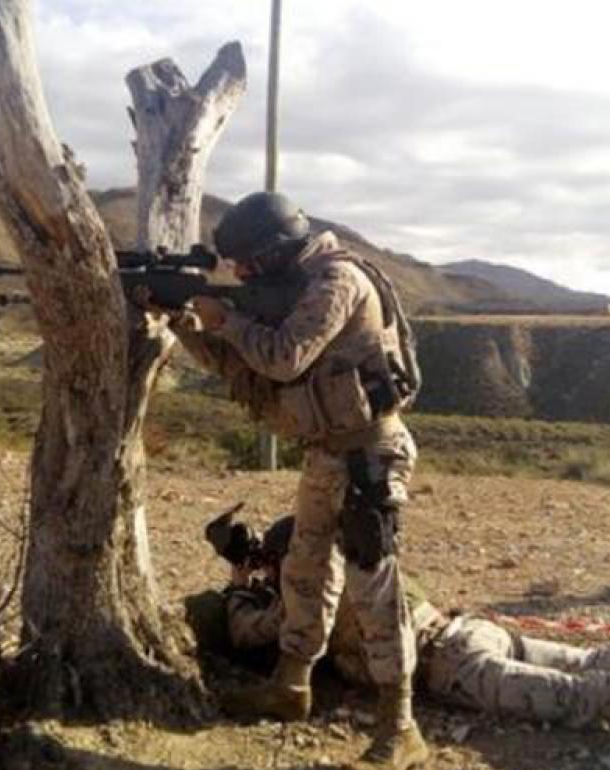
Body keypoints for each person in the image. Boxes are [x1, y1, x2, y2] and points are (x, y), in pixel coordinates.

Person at [167, 191, 427, 770]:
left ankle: (400, 727)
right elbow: (241, 366)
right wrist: (188, 325)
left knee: (372, 585)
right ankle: (291, 686)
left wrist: (227, 318)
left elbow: (284, 358)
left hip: (369, 453)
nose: (241, 275)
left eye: (248, 266)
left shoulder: (337, 282)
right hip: (326, 453)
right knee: (304, 569)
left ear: (276, 251)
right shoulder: (294, 284)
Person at [208, 515, 610, 766]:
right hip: (472, 631)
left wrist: (242, 583)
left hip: (455, 668)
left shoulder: (311, 583)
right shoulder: (365, 551)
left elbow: (248, 631)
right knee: (593, 659)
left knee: (583, 698)